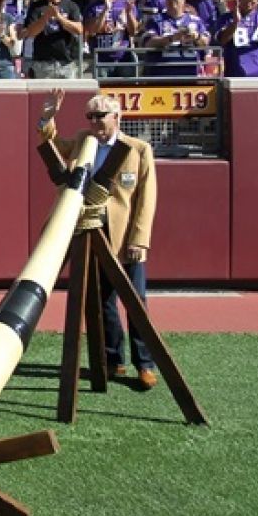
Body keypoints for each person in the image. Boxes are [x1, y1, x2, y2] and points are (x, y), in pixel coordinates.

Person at [38, 90, 159, 390]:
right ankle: (113, 360)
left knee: (136, 301)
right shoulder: (82, 140)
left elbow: (146, 199)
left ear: (116, 117)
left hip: (124, 236)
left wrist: (139, 240)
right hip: (90, 230)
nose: (94, 122)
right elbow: (51, 146)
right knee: (101, 299)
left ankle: (145, 365)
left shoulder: (138, 149)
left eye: (100, 116)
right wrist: (48, 117)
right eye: (90, 116)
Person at [21, 0, 83, 78]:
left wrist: (59, 17)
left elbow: (79, 29)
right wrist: (46, 17)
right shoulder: (36, 6)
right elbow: (31, 32)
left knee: (67, 94)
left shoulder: (71, 6)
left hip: (66, 63)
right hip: (43, 63)